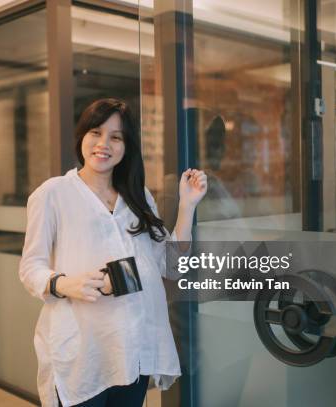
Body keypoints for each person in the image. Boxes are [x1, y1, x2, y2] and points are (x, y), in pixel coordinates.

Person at [19, 98, 207, 407]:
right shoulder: (53, 194)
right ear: (82, 136)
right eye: (96, 132)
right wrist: (64, 283)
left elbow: (171, 267)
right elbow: (30, 268)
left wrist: (187, 207)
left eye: (116, 137)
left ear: (126, 146)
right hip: (84, 353)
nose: (103, 144)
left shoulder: (137, 196)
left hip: (133, 349)